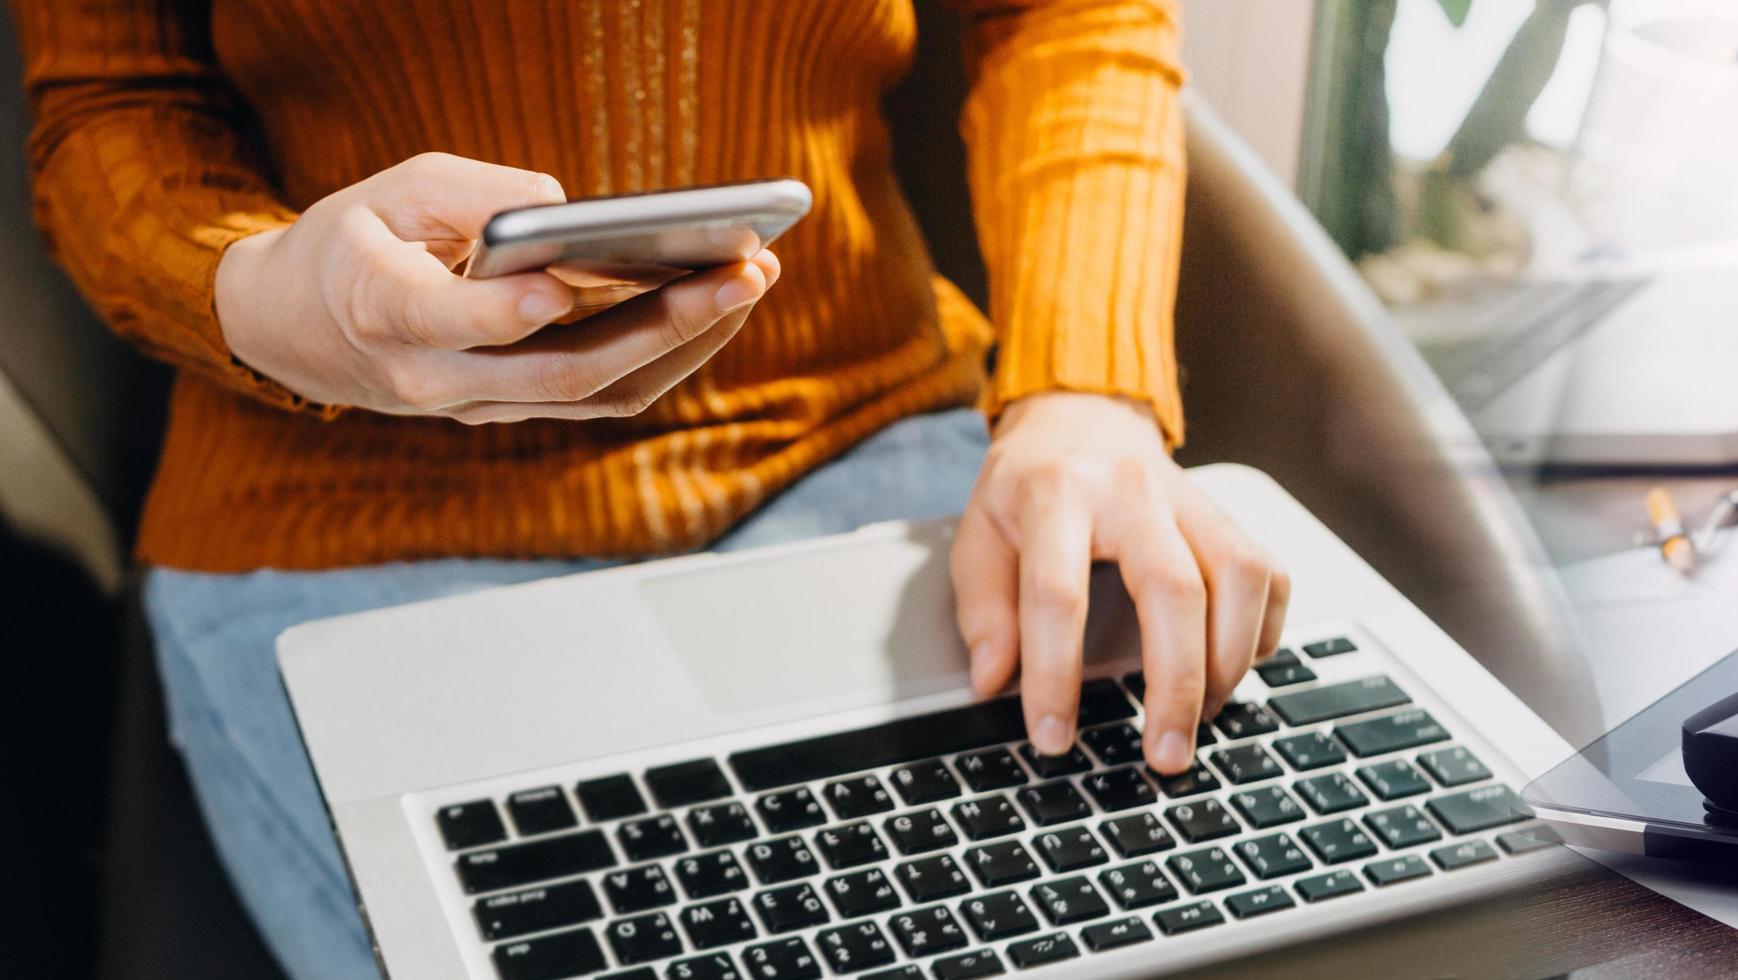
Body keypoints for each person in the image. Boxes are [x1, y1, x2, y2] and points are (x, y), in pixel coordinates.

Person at [16, 1, 1271, 975]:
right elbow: (112, 108)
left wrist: (1082, 394)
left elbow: (1066, 17)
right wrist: (260, 294)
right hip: (336, 511)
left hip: (859, 423)